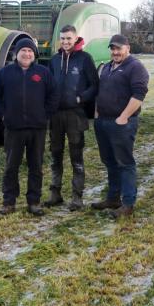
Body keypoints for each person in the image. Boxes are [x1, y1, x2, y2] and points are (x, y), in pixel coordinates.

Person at [0, 37, 58, 217]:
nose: (26, 54)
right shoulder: (5, 73)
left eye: (30, 51)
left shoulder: (43, 73)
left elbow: (54, 95)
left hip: (37, 129)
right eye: (23, 51)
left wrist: (45, 114)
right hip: (14, 129)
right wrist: (2, 114)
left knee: (36, 166)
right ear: (16, 54)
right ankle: (8, 202)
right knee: (11, 166)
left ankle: (34, 202)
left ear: (34, 54)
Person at [92, 34, 149, 219]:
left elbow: (139, 95)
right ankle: (112, 198)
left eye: (119, 48)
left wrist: (123, 117)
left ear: (128, 48)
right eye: (113, 49)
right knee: (110, 162)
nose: (115, 52)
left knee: (125, 163)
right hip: (103, 122)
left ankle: (128, 204)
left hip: (122, 123)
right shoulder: (107, 67)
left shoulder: (135, 67)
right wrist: (97, 113)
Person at [46, 25, 99, 211]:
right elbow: (49, 86)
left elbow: (94, 85)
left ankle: (77, 197)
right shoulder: (54, 60)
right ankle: (55, 193)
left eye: (69, 38)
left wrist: (81, 98)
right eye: (62, 38)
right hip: (56, 116)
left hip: (75, 115)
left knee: (76, 157)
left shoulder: (85, 59)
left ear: (76, 38)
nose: (65, 42)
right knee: (55, 155)